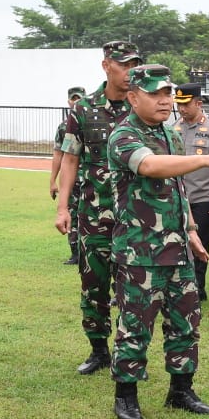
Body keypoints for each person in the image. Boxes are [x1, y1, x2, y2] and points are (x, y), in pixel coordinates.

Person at [106, 65, 209, 419]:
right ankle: (126, 395)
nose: (165, 101)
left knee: (185, 322)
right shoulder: (123, 136)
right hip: (140, 250)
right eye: (156, 94)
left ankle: (181, 389)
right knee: (135, 324)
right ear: (134, 97)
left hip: (177, 245)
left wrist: (192, 231)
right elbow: (150, 167)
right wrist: (205, 159)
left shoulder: (170, 132)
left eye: (168, 93)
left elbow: (179, 189)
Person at [55, 41, 143, 376]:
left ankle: (129, 353)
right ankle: (98, 350)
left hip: (136, 216)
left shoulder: (142, 106)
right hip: (94, 215)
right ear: (107, 66)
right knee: (94, 285)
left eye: (135, 65)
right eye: (125, 65)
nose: (130, 72)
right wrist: (62, 208)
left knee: (133, 288)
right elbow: (71, 158)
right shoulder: (83, 110)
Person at [172, 82, 209, 302]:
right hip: (180, 195)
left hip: (204, 197)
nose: (182, 109)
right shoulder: (174, 128)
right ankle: (183, 285)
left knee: (201, 242)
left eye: (186, 104)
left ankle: (198, 287)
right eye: (179, 104)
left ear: (198, 103)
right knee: (178, 242)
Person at [50, 85, 85, 265]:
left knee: (89, 216)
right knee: (71, 214)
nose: (76, 101)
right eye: (73, 98)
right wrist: (52, 181)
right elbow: (58, 155)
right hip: (70, 180)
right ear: (68, 101)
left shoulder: (91, 122)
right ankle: (75, 253)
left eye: (79, 98)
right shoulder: (64, 127)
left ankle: (89, 252)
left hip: (89, 179)